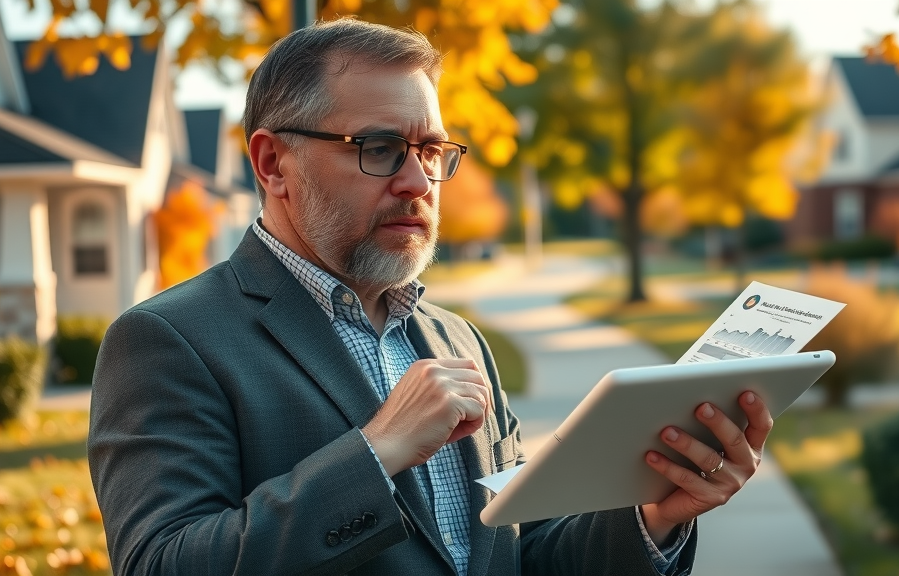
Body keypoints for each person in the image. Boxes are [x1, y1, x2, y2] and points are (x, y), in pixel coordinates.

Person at [87, 18, 774, 576]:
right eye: (379, 147)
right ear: (273, 165)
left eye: (432, 151)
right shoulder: (168, 341)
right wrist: (375, 452)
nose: (418, 182)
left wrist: (655, 517)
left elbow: (519, 552)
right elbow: (161, 564)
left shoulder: (456, 338)